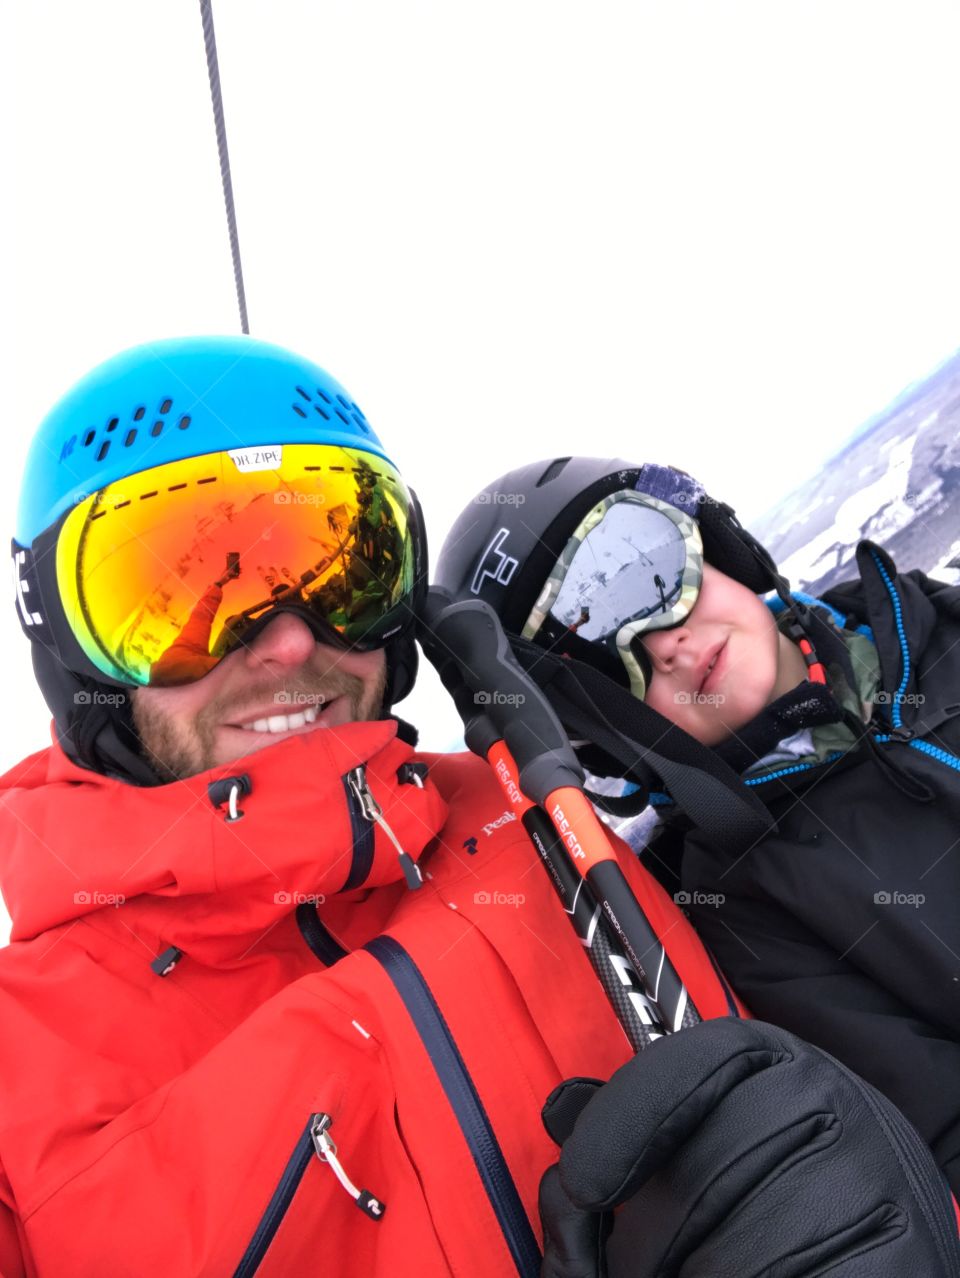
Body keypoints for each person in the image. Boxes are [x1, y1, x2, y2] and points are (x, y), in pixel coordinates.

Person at [1, 352, 954, 1278]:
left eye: (337, 579)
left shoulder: (539, 827)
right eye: (177, 604)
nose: (288, 643)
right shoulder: (23, 1068)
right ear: (65, 647)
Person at [434, 454, 960, 1202]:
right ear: (602, 736)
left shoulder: (936, 622)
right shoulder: (742, 908)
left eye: (643, 575)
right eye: (597, 669)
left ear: (717, 544)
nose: (662, 644)